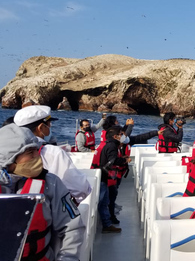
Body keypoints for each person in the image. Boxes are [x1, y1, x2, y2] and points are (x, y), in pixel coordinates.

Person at [0, 124, 85, 260]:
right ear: (9, 158)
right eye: (30, 153)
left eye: (36, 150)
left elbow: (72, 227)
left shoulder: (51, 184)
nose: (37, 156)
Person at [14, 105, 92, 203]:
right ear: (41, 127)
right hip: (45, 211)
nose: (50, 127)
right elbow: (81, 189)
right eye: (49, 124)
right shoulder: (52, 153)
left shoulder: (9, 152)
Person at [98, 126, 131, 232]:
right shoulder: (112, 146)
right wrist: (124, 161)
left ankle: (107, 223)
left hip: (104, 176)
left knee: (105, 200)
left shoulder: (110, 144)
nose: (123, 136)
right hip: (104, 177)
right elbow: (113, 160)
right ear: (115, 136)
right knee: (103, 201)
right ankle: (106, 225)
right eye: (121, 134)